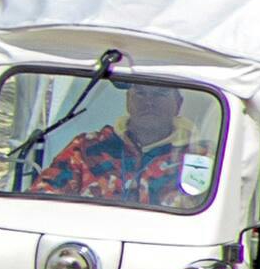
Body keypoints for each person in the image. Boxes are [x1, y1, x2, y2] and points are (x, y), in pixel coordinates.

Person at [41, 84, 218, 212]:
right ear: (128, 101)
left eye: (161, 93)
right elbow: (43, 200)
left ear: (178, 104)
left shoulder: (203, 156)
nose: (149, 102)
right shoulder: (85, 148)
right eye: (140, 93)